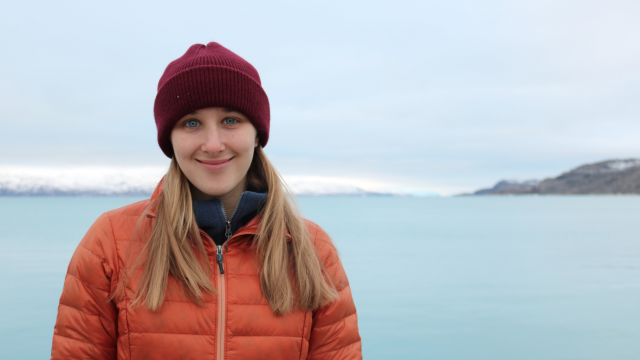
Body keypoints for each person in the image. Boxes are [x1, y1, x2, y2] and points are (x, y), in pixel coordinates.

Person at [50, 42, 362, 360]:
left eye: (231, 120)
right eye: (191, 123)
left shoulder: (311, 248)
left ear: (257, 134)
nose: (213, 145)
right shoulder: (111, 242)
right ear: (169, 140)